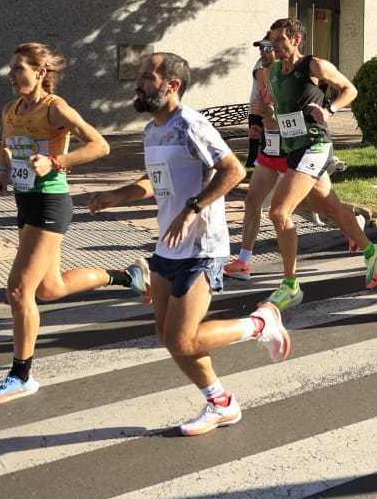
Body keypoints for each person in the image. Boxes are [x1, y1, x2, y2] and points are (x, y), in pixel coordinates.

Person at [89, 52, 290, 436]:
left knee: (183, 337)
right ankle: (221, 403)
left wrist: (191, 209)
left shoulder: (190, 125)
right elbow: (156, 181)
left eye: (147, 77)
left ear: (172, 84)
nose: (138, 83)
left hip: (202, 247)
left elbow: (232, 170)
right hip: (168, 247)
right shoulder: (153, 130)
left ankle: (259, 323)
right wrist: (115, 196)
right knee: (169, 338)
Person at [0, 42, 134, 404]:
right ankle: (126, 276)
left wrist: (57, 162)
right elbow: (6, 146)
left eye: (19, 68)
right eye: (11, 68)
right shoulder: (10, 108)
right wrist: (2, 170)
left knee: (18, 291)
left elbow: (100, 145)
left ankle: (22, 374)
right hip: (25, 202)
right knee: (50, 289)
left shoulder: (55, 108)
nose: (12, 75)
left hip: (51, 203)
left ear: (40, 72)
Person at [225, 33, 375, 283]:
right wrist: (260, 126)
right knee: (254, 201)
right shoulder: (263, 72)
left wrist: (322, 111)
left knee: (308, 205)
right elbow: (266, 104)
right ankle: (244, 261)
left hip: (297, 147)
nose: (263, 53)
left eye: (267, 47)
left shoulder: (295, 70)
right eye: (261, 48)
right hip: (273, 146)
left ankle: (351, 224)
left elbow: (286, 107)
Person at [260, 18, 377, 310]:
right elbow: (281, 110)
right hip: (294, 148)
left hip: (315, 146)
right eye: (272, 39)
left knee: (279, 212)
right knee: (330, 208)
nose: (274, 45)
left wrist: (330, 109)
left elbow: (349, 89)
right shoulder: (272, 72)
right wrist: (267, 116)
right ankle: (371, 250)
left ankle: (290, 286)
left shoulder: (314, 66)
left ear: (296, 40)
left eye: (280, 40)